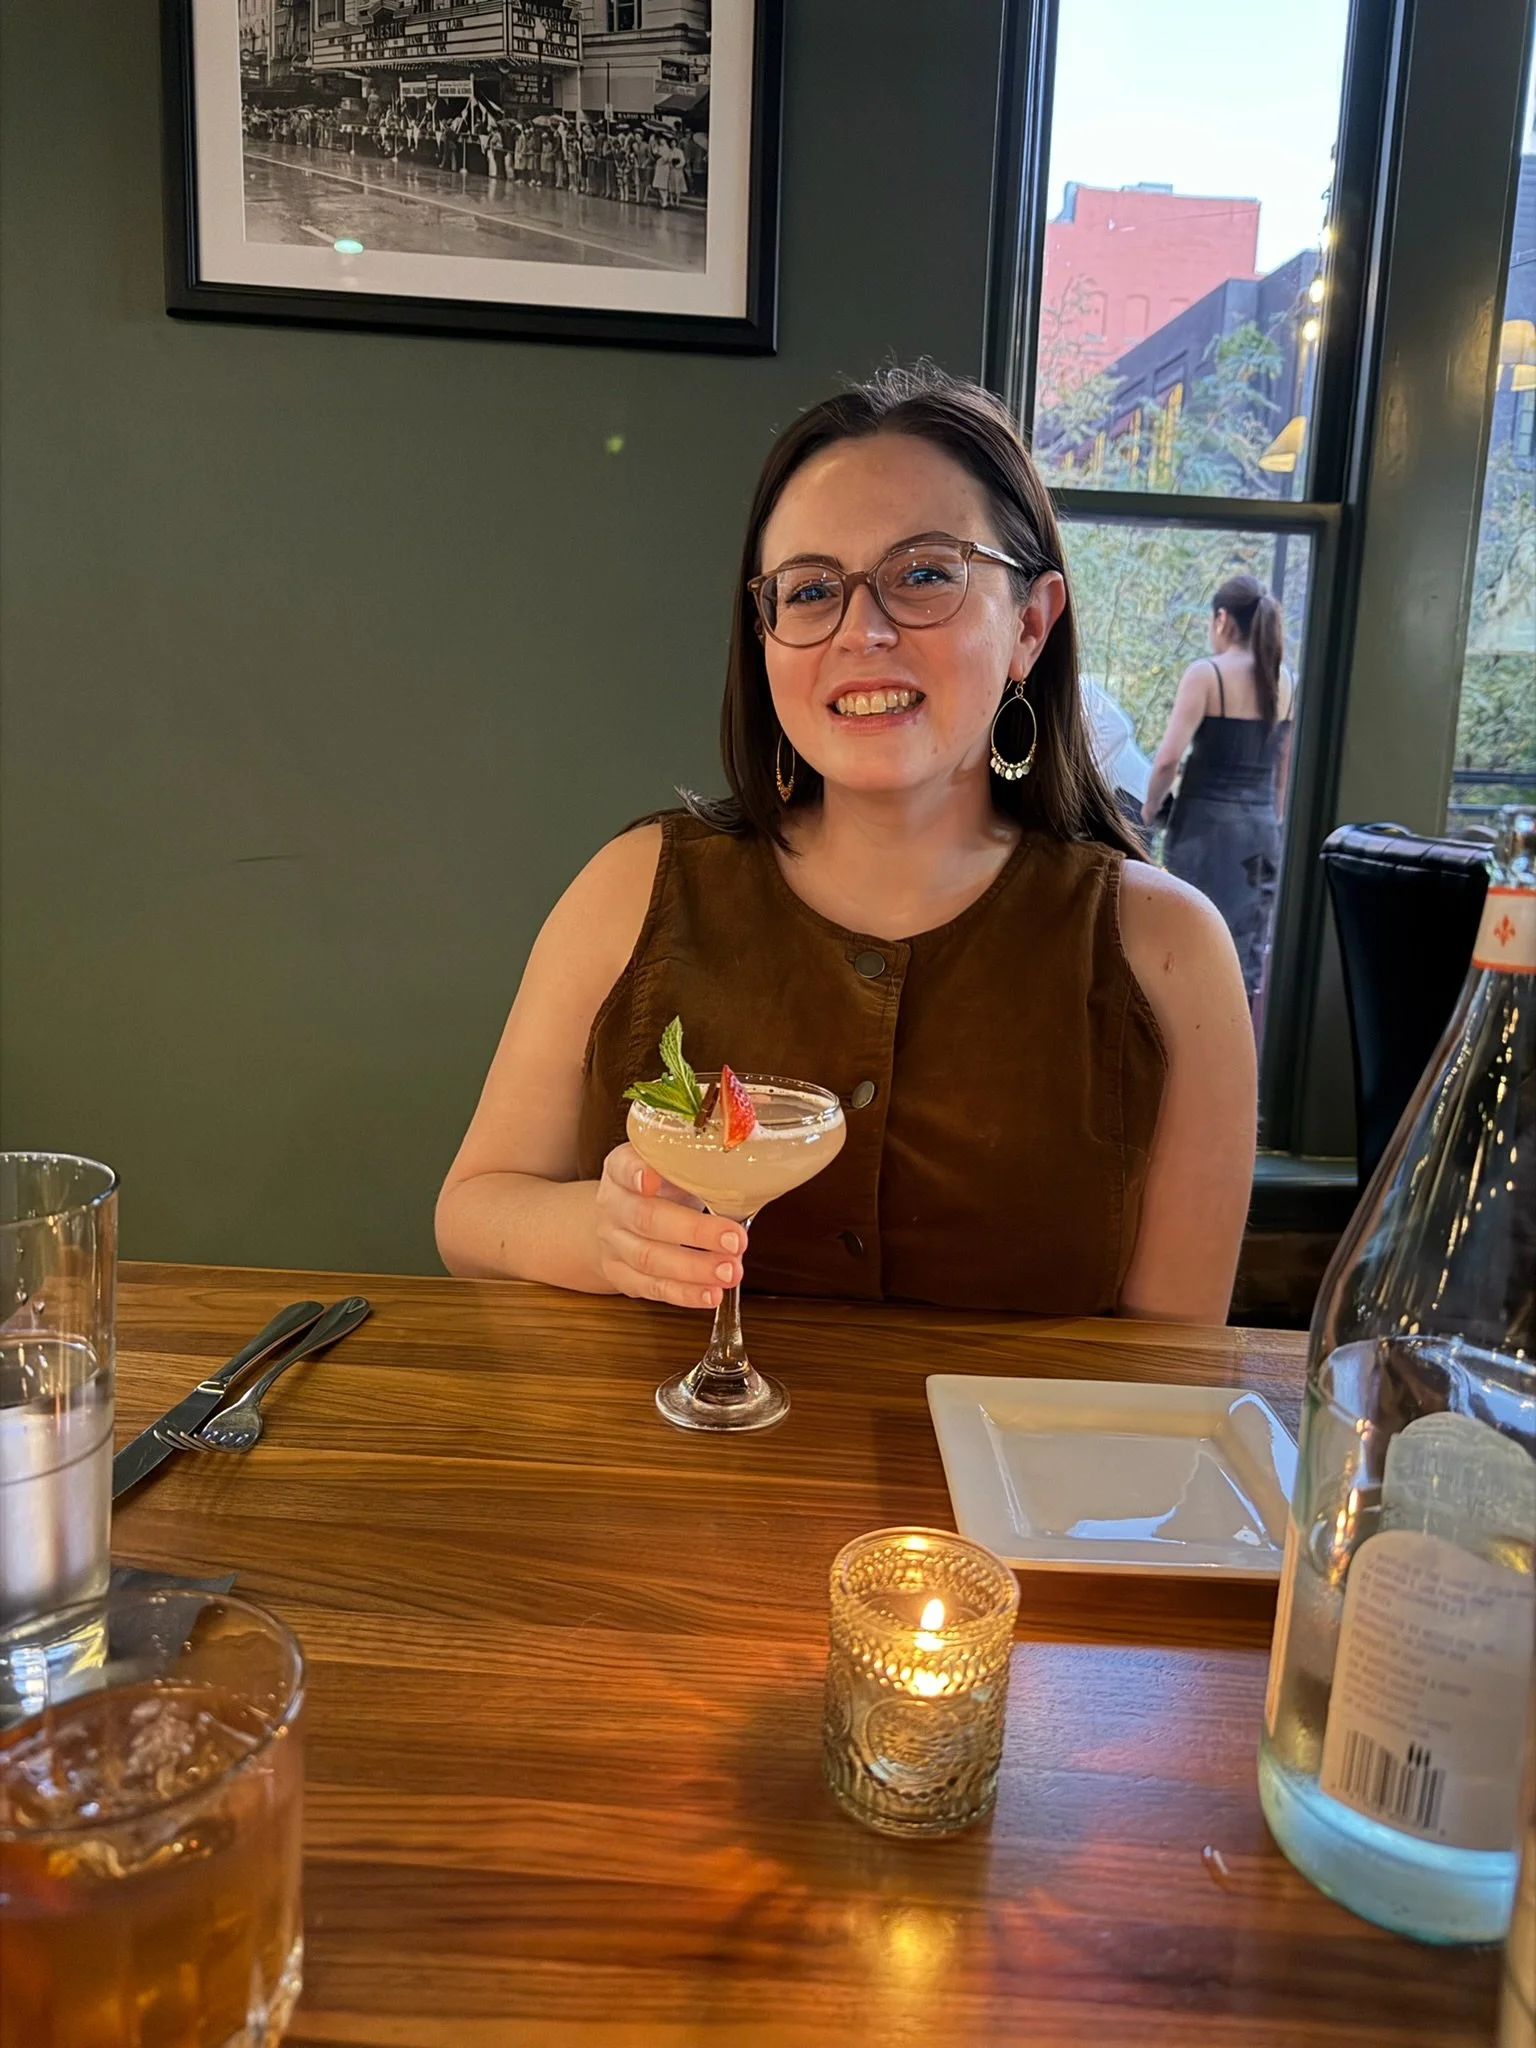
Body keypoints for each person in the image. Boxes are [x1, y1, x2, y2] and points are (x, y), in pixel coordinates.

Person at [437, 369, 1256, 1323]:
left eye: (924, 575)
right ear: (765, 635)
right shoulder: (634, 887)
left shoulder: (1166, 952)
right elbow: (472, 1213)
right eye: (812, 590)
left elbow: (1173, 1367)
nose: (861, 632)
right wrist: (601, 1235)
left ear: (1030, 624)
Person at [1142, 574, 1294, 1006]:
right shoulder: (1285, 680)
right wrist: (1271, 821)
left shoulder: (1206, 674)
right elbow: (1283, 768)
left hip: (1206, 835)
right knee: (1242, 958)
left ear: (1222, 620)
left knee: (1190, 949)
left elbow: (1168, 759)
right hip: (1260, 836)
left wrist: (1149, 810)